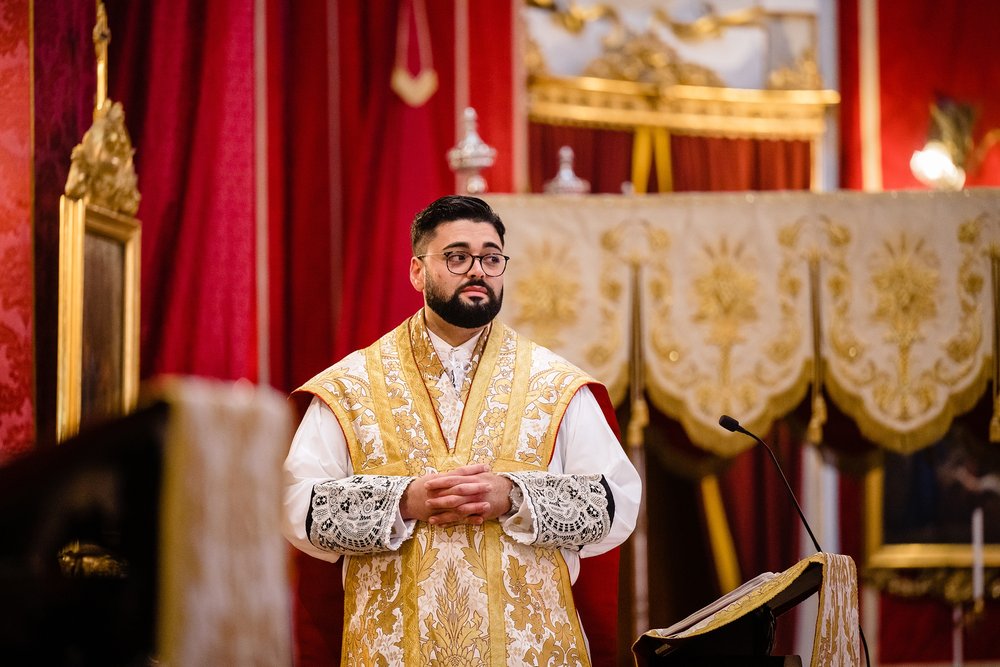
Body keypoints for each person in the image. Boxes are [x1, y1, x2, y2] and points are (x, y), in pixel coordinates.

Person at [282, 195, 641, 666]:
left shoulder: (554, 384)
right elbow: (296, 505)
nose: (478, 270)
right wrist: (404, 501)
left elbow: (616, 503)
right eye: (457, 257)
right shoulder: (351, 386)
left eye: (491, 258)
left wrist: (515, 496)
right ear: (417, 271)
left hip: (529, 652)